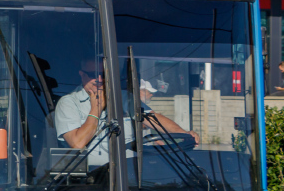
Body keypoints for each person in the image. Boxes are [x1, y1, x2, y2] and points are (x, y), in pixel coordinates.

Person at [54, 61, 197, 170]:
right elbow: (77, 143)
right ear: (82, 74)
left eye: (103, 75)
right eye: (93, 75)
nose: (99, 79)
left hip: (132, 174)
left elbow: (152, 118)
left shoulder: (124, 98)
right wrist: (96, 109)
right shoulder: (68, 103)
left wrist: (183, 133)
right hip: (93, 177)